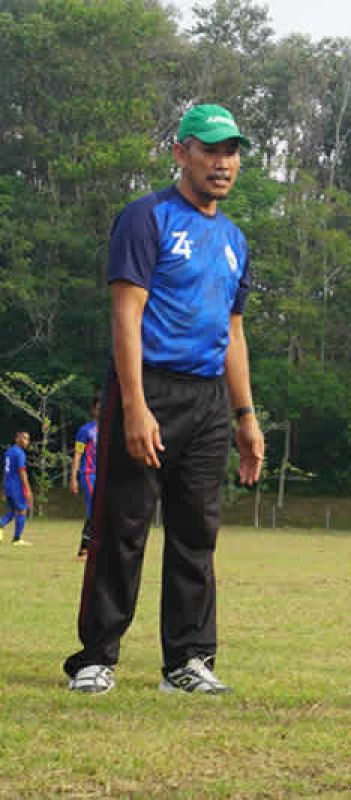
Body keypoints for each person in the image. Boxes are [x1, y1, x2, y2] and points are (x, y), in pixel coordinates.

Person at [63, 104, 264, 696]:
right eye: (210, 149)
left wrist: (245, 417)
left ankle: (189, 661)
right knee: (122, 527)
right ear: (181, 153)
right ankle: (97, 656)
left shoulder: (234, 240)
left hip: (206, 402)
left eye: (231, 151)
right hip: (147, 386)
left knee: (196, 534)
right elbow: (126, 315)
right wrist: (133, 406)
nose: (222, 162)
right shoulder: (145, 218)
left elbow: (233, 332)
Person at [70, 392, 100, 560]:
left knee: (103, 510)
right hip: (89, 474)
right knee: (94, 509)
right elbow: (78, 454)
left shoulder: (110, 429)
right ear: (93, 409)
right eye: (98, 407)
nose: (101, 410)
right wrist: (73, 477)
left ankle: (93, 548)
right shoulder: (85, 430)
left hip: (104, 475)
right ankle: (84, 549)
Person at [1, 431, 34, 546]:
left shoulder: (9, 452)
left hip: (8, 485)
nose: (27, 442)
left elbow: (5, 471)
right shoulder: (19, 453)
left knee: (12, 511)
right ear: (18, 439)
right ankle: (17, 538)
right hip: (16, 486)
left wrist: (3, 488)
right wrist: (28, 489)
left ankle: (1, 526)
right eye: (24, 438)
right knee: (22, 510)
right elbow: (22, 471)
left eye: (28, 439)